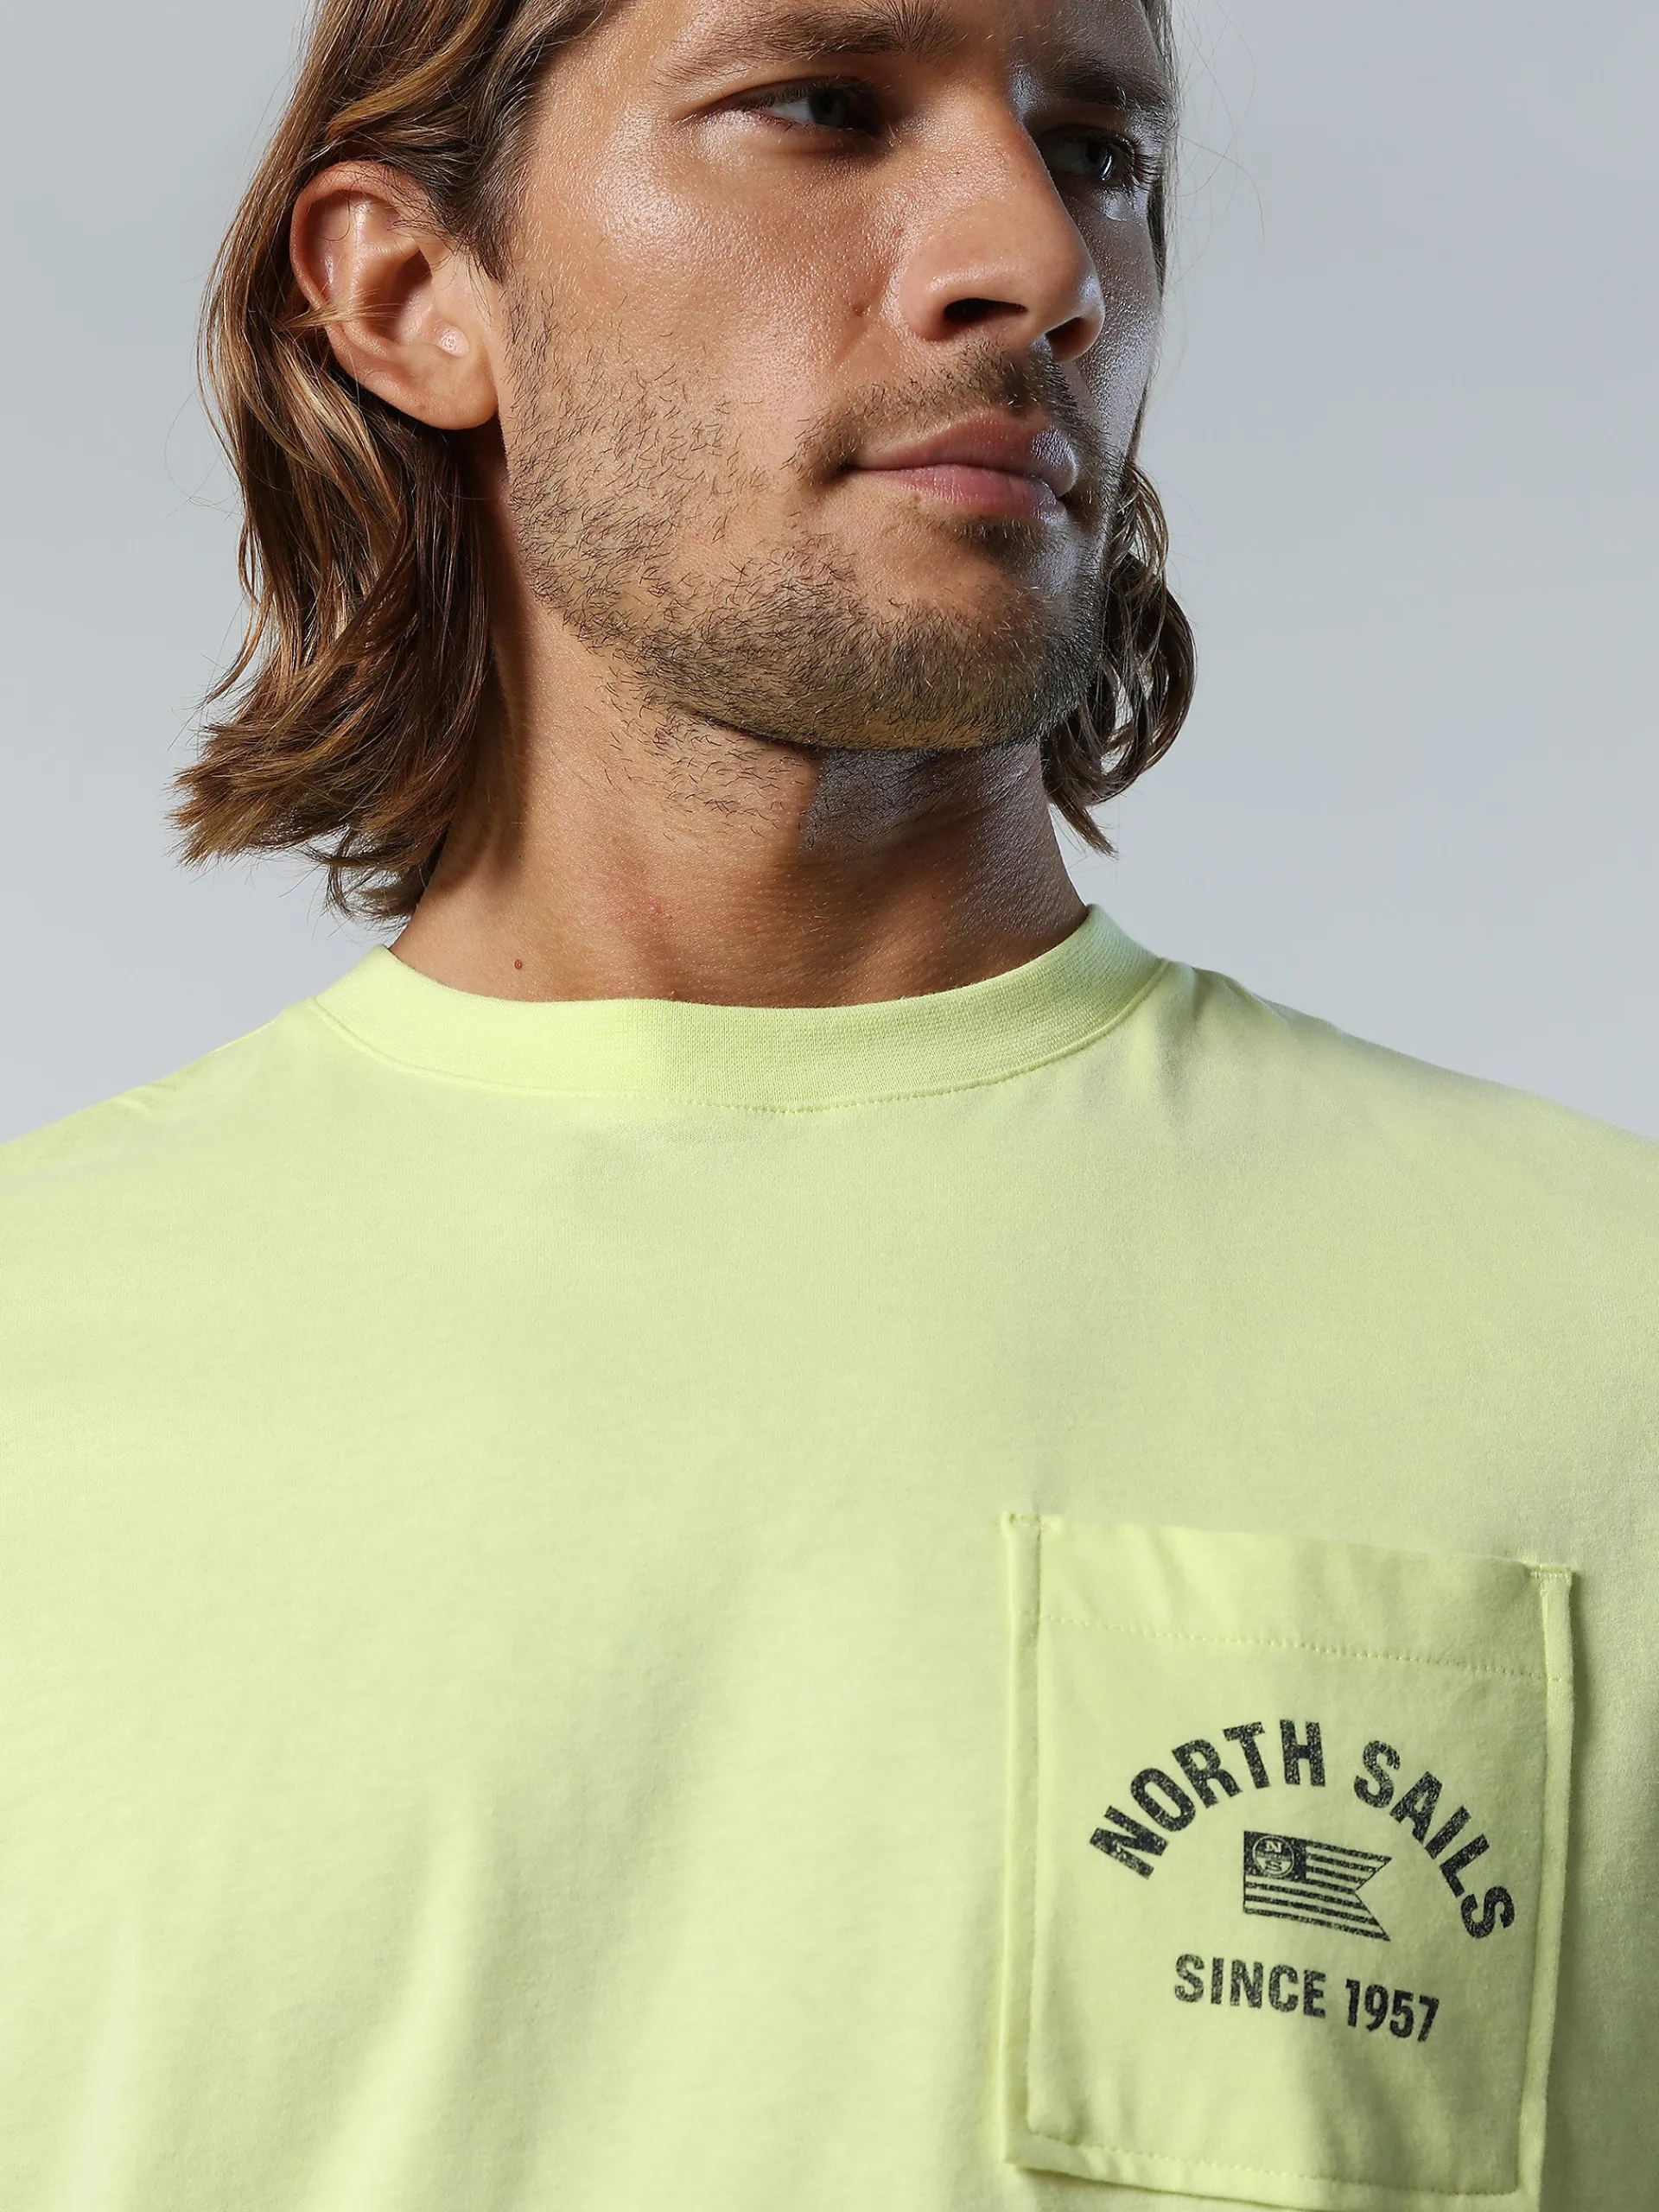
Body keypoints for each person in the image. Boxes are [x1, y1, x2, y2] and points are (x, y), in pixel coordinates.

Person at [0, 0, 1652, 2204]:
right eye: (823, 105)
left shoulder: (1607, 1345)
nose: (1038, 262)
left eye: (1099, 150)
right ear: (412, 291)